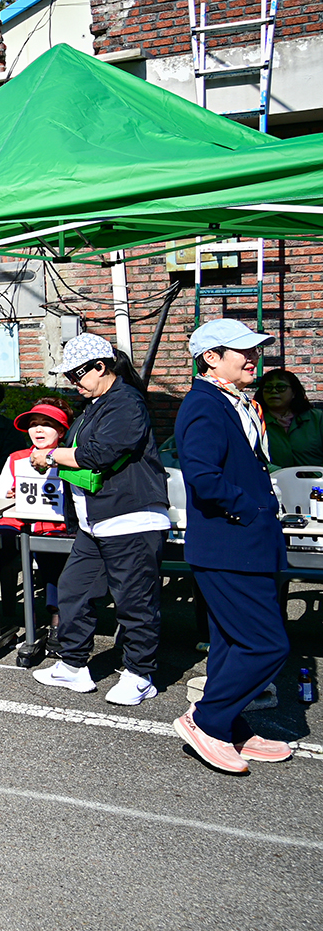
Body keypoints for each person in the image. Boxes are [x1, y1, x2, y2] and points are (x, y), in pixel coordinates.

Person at [172, 319, 293, 773]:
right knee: (267, 644)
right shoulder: (205, 403)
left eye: (255, 350)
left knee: (230, 643)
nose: (254, 358)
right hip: (230, 543)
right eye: (243, 351)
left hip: (245, 543)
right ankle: (207, 721)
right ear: (211, 357)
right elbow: (203, 477)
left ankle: (229, 727)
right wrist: (251, 510)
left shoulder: (232, 401)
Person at [29, 333, 168, 706]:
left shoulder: (126, 402)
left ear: (101, 367)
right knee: (73, 590)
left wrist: (52, 456)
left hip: (131, 518)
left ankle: (140, 675)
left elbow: (97, 454)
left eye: (76, 374)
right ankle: (72, 665)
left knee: (134, 601)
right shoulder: (97, 404)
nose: (73, 382)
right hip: (96, 522)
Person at [0, 398, 72, 648]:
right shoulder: (16, 458)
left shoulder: (70, 458)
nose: (38, 429)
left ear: (61, 431)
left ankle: (57, 620)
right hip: (15, 523)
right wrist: (11, 497)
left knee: (54, 558)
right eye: (33, 424)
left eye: (47, 424)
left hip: (53, 525)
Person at [258, 368, 323, 469]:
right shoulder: (256, 420)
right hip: (274, 478)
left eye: (281, 387)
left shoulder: (317, 418)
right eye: (268, 388)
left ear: (294, 392)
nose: (274, 391)